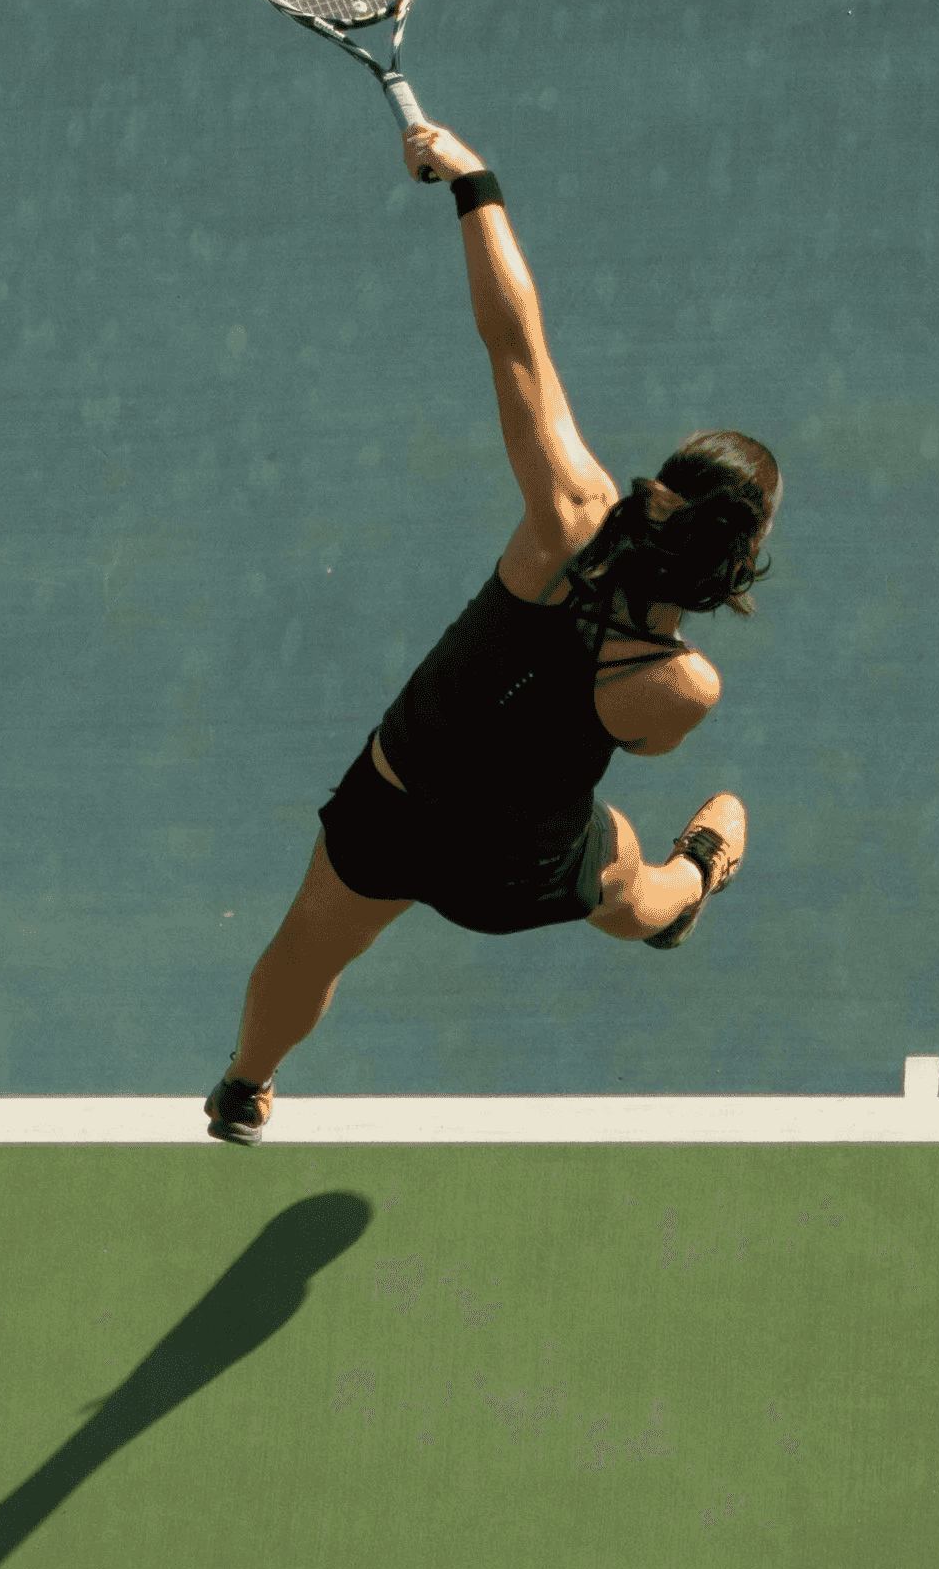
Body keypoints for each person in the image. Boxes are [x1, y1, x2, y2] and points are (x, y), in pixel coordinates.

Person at [206, 122, 776, 1145]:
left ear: (665, 484)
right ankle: (692, 885)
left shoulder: (568, 513)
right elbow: (637, 737)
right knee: (632, 883)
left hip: (396, 802)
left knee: (308, 949)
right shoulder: (684, 685)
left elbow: (516, 339)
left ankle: (245, 1087)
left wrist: (474, 183)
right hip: (510, 867)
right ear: (733, 562)